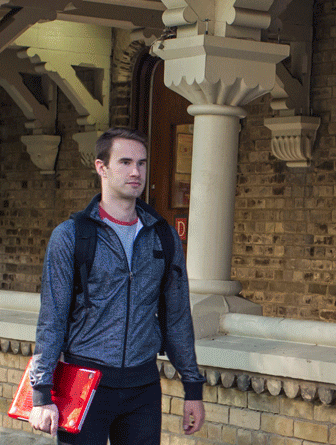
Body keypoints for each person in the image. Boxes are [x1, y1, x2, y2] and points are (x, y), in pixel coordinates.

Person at [29, 127, 206, 443]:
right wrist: (41, 393)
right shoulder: (71, 236)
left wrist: (192, 387)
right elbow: (51, 319)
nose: (135, 172)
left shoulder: (163, 236)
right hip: (84, 383)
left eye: (141, 163)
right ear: (102, 167)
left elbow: (177, 317)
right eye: (125, 162)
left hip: (142, 386)